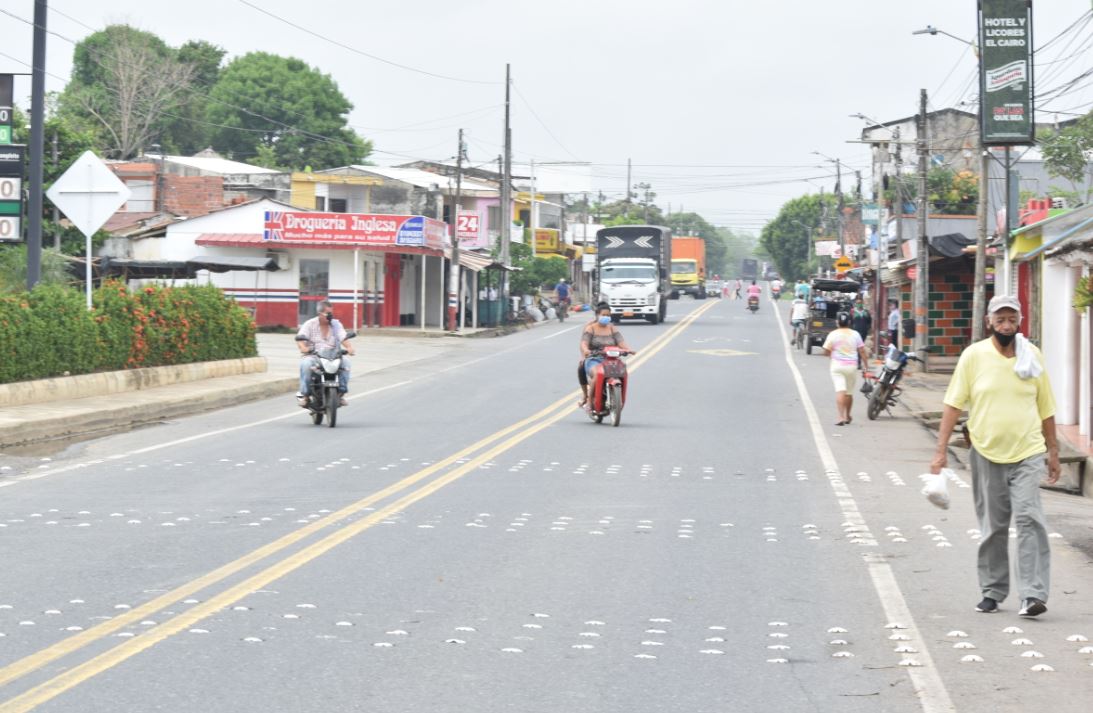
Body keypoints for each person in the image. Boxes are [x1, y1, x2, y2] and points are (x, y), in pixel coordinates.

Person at [930, 295, 1059, 618]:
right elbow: (953, 403)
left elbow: (1046, 408)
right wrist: (940, 450)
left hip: (1028, 451)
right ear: (989, 322)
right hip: (986, 451)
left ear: (1019, 322)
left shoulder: (1032, 356)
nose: (1006, 325)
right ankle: (992, 590)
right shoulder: (974, 357)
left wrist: (1053, 451)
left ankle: (1032, 594)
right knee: (993, 525)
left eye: (1011, 320)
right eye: (1000, 320)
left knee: (1030, 519)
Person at [295, 300, 355, 407]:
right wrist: (304, 348)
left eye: (331, 313)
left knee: (346, 363)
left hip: (334, 356)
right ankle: (306, 396)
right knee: (306, 365)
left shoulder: (336, 324)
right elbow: (300, 339)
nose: (330, 316)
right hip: (314, 356)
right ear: (320, 314)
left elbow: (343, 337)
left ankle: (340, 394)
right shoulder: (309, 324)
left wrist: (349, 348)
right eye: (328, 314)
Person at [578, 303, 635, 409]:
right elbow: (584, 343)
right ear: (597, 315)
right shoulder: (591, 328)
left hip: (611, 359)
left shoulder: (612, 328)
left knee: (623, 371)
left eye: (608, 315)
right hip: (594, 359)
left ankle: (618, 398)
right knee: (597, 373)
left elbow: (621, 342)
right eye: (604, 315)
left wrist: (628, 350)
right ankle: (589, 401)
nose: (606, 317)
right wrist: (586, 351)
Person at [821, 312, 867, 426]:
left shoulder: (832, 334)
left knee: (840, 390)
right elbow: (862, 351)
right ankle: (848, 416)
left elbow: (826, 351)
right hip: (851, 366)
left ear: (837, 322)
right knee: (849, 393)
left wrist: (831, 354)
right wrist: (866, 365)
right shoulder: (855, 334)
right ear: (850, 322)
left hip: (837, 366)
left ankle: (840, 417)